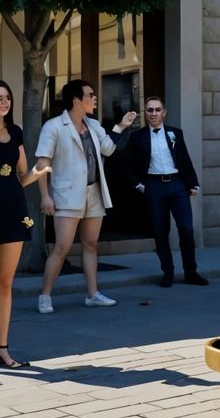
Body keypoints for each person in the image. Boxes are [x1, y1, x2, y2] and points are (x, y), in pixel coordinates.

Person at [34, 79, 135, 313]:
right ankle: (45, 295)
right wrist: (45, 196)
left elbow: (109, 149)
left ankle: (92, 294)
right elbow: (42, 162)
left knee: (91, 244)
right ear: (76, 99)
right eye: (90, 95)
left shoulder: (93, 124)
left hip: (94, 192)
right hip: (66, 194)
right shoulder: (54, 126)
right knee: (62, 247)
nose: (95, 98)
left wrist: (121, 126)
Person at [123, 96, 204, 288]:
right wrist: (138, 185)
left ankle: (191, 273)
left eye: (157, 110)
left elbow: (185, 158)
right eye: (150, 110)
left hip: (177, 184)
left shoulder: (176, 133)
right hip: (154, 185)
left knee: (186, 229)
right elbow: (127, 164)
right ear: (145, 113)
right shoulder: (137, 137)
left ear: (164, 112)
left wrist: (193, 183)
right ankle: (168, 273)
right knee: (161, 232)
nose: (153, 114)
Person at [0, 81, 50, 367]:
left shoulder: (15, 132)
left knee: (6, 283)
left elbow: (21, 176)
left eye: (7, 97)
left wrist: (39, 171)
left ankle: (3, 349)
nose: (4, 103)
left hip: (12, 211)